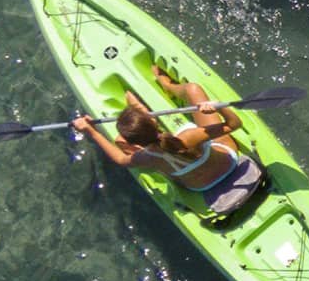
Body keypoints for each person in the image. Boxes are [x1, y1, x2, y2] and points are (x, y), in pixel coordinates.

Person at [71, 68, 264, 214]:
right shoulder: (189, 138)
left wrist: (91, 130)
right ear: (154, 121)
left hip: (201, 187)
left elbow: (121, 160)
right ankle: (167, 85)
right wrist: (217, 107)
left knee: (119, 142)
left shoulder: (148, 157)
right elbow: (234, 124)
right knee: (192, 89)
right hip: (228, 163)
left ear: (138, 144)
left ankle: (137, 107)